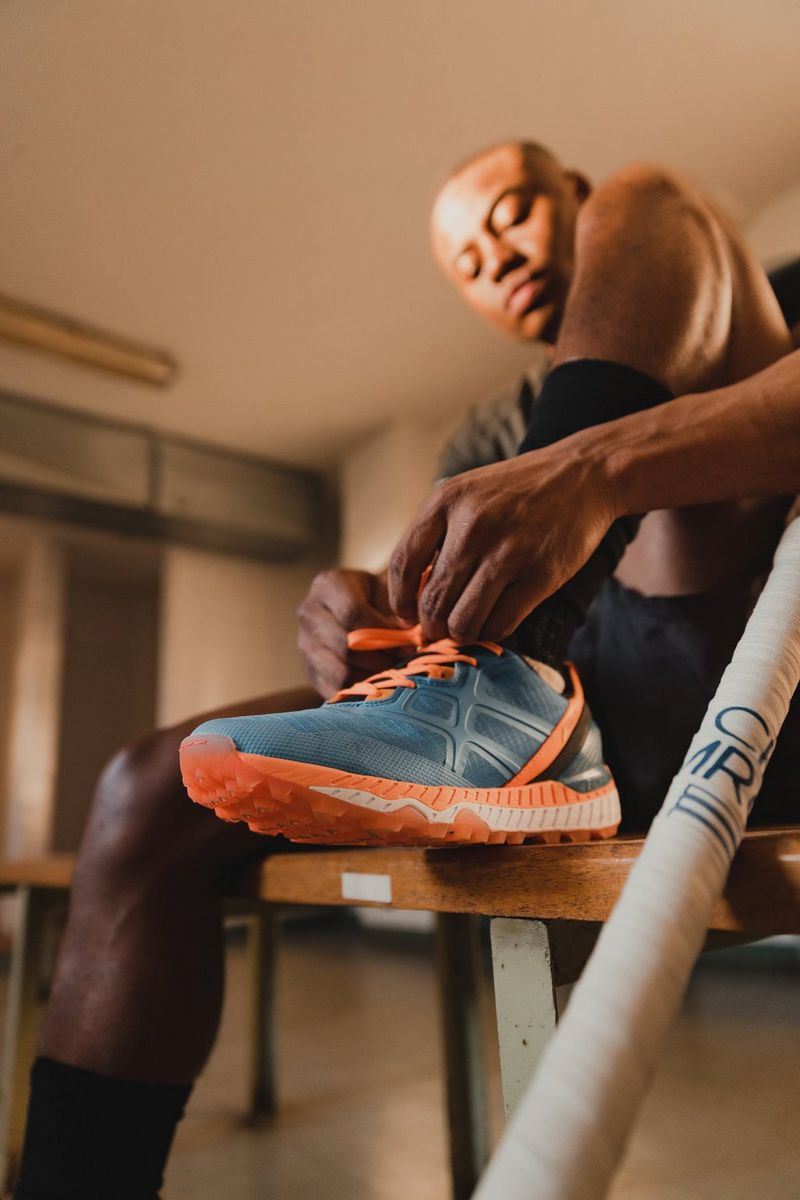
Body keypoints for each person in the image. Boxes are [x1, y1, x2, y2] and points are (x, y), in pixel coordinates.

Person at [13, 141, 800, 1200]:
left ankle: (506, 676)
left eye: (513, 213)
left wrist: (592, 469)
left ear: (572, 197)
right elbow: (415, 610)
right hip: (570, 729)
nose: (494, 257)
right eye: (465, 262)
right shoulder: (487, 426)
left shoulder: (730, 283)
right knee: (148, 787)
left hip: (750, 676)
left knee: (655, 198)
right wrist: (364, 616)